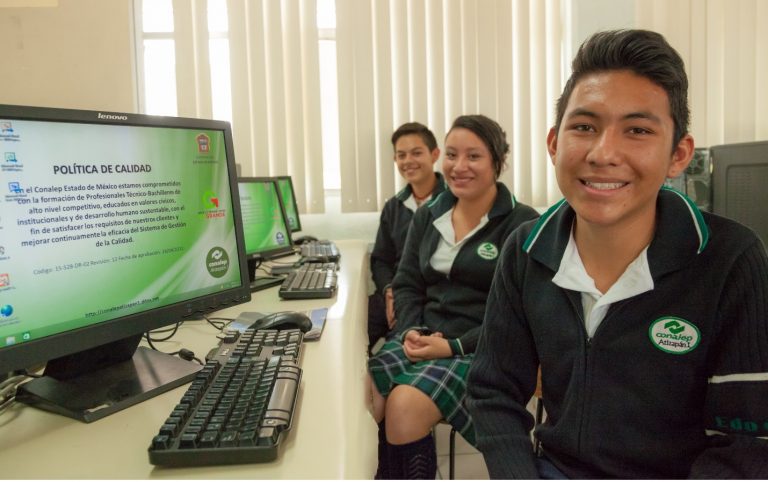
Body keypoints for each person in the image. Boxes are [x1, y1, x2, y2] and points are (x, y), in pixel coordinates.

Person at [466, 29, 768, 479]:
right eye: (584, 127)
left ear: (678, 155)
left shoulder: (731, 260)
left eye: (638, 130)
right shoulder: (526, 251)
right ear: (554, 143)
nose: (603, 153)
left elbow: (747, 443)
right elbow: (492, 392)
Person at [368, 114, 539, 479]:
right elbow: (408, 283)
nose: (459, 167)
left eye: (473, 157)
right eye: (452, 155)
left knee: (403, 405)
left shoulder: (522, 224)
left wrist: (455, 346)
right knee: (365, 395)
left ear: (497, 162)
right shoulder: (429, 214)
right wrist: (410, 331)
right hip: (423, 335)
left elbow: (520, 315)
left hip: (481, 347)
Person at [368, 122, 447, 352]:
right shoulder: (394, 206)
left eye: (416, 153)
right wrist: (389, 290)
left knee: (401, 346)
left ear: (435, 155)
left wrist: (405, 296)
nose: (408, 161)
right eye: (401, 155)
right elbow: (381, 259)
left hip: (428, 295)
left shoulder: (454, 201)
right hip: (393, 292)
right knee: (349, 337)